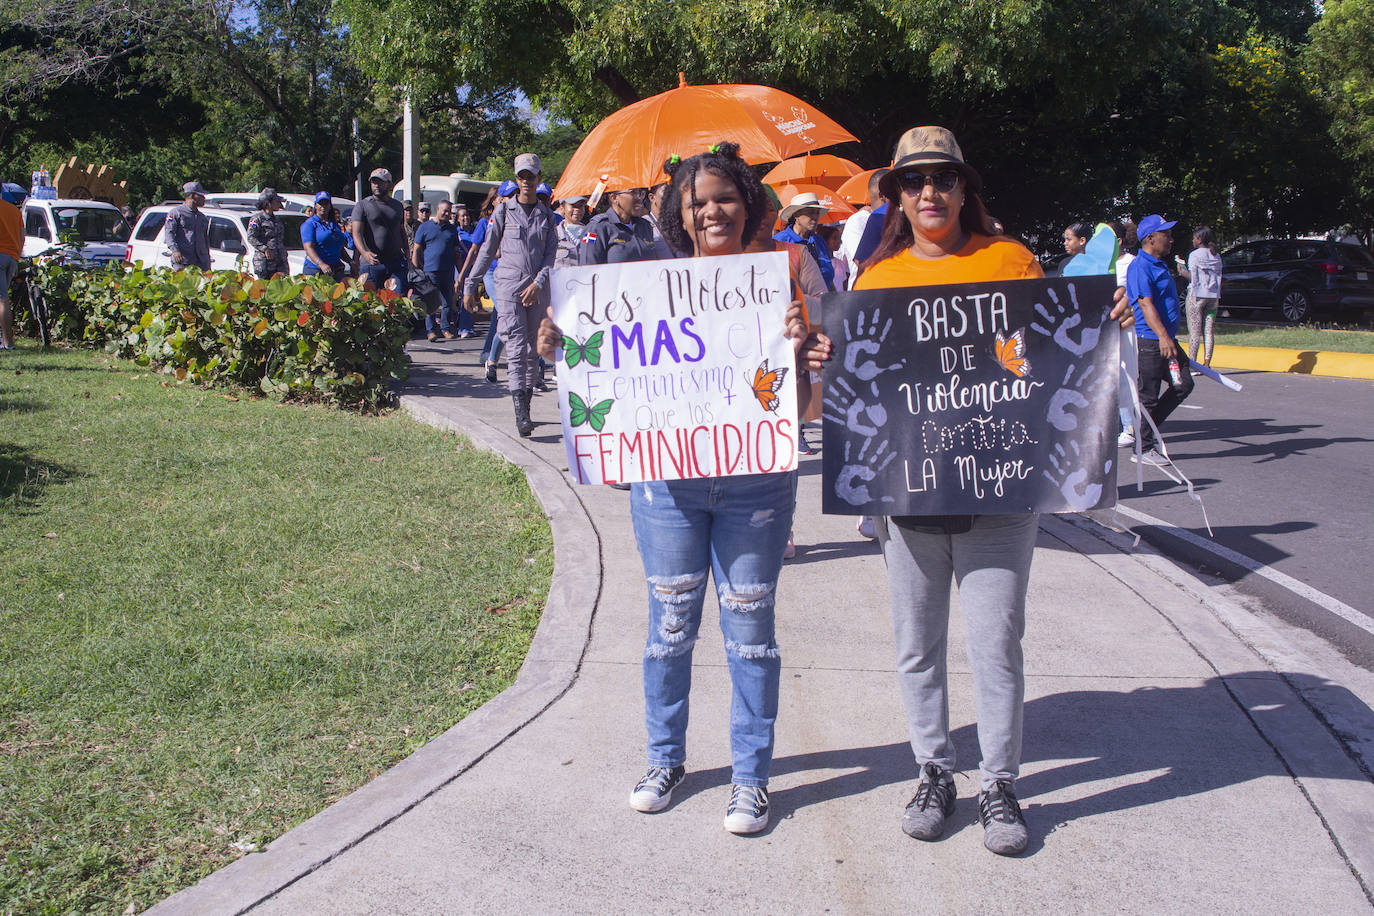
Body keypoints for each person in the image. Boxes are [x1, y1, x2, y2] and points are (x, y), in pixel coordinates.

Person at [799, 125, 1134, 857]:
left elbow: (1056, 349)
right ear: (894, 195)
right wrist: (828, 352)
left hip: (1001, 497)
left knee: (996, 646)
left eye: (942, 179)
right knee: (917, 646)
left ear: (963, 189)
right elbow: (860, 388)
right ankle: (933, 771)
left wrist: (1102, 322)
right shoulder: (877, 280)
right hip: (909, 499)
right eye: (913, 181)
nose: (929, 193)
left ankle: (1000, 784)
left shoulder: (1010, 260)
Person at [537, 140, 808, 835]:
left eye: (724, 197)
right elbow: (607, 370)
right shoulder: (641, 288)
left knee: (751, 635)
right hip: (667, 488)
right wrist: (560, 347)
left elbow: (801, 406)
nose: (712, 210)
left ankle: (751, 779)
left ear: (747, 204)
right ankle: (666, 758)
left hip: (756, 485)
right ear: (678, 215)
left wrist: (802, 351)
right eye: (697, 201)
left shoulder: (782, 281)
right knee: (668, 630)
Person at [463, 155, 557, 437]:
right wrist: (471, 284)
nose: (526, 181)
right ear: (517, 180)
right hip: (508, 286)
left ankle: (526, 404)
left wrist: (540, 282)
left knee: (531, 350)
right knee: (515, 347)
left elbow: (551, 255)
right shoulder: (503, 213)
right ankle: (520, 413)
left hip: (536, 289)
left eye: (531, 176)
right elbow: (487, 250)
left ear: (539, 178)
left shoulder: (547, 217)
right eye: (522, 177)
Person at [1126, 213, 1194, 465]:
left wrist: (1168, 338)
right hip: (1151, 343)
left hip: (1165, 341)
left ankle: (1145, 431)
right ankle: (1142, 449)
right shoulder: (1140, 266)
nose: (1171, 239)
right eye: (1166, 235)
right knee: (1149, 396)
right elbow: (1145, 304)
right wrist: (1164, 338)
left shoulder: (1159, 265)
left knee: (1182, 385)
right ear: (1150, 238)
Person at [412, 200, 463, 341]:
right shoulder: (425, 227)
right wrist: (416, 269)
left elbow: (456, 251)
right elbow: (417, 248)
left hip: (447, 270)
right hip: (429, 271)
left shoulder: (452, 229)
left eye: (449, 211)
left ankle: (445, 329)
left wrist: (460, 272)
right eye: (444, 210)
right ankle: (431, 331)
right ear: (437, 209)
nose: (447, 214)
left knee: (447, 301)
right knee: (431, 302)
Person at [352, 168, 409, 294]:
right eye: (373, 182)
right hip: (372, 264)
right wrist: (365, 253)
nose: (376, 185)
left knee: (397, 301)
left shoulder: (397, 206)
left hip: (396, 263)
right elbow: (356, 233)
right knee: (372, 304)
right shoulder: (362, 205)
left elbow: (401, 230)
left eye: (380, 182)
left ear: (389, 184)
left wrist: (406, 250)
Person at [577, 186, 658, 265]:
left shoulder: (645, 226)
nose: (639, 198)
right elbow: (587, 269)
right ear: (614, 198)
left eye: (641, 193)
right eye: (633, 193)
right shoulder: (598, 228)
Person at [773, 191, 835, 290]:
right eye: (810, 212)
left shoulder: (819, 241)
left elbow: (829, 281)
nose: (815, 217)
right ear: (796, 215)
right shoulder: (780, 241)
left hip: (824, 302)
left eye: (817, 212)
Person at [1180, 225, 1222, 369]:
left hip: (1196, 296)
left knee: (1195, 332)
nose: (1193, 240)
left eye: (1194, 237)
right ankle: (1207, 363)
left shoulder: (1195, 255)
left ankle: (1193, 364)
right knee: (1209, 331)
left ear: (1199, 239)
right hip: (1213, 296)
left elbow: (1193, 278)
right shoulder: (1216, 255)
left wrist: (1181, 270)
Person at [839, 169, 887, 289]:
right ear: (883, 195)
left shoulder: (895, 217)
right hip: (865, 293)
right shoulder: (857, 221)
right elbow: (862, 262)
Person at [164, 181, 211, 272]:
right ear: (192, 196)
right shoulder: (176, 213)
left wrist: (207, 260)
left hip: (200, 263)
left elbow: (205, 240)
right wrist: (175, 251)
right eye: (201, 195)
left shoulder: (202, 217)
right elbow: (169, 233)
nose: (204, 198)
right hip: (183, 261)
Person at [301, 192, 350, 278]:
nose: (323, 206)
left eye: (326, 203)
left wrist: (351, 262)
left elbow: (339, 247)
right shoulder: (310, 224)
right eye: (320, 204)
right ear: (316, 205)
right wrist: (321, 264)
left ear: (330, 205)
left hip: (335, 269)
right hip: (316, 270)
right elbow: (308, 247)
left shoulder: (334, 224)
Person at [0, 183, 23, 350]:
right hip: (11, 257)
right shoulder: (14, 210)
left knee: (2, 300)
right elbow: (22, 236)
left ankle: (8, 343)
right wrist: (16, 257)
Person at [246, 188, 289, 279]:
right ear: (268, 203)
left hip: (279, 263)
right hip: (265, 264)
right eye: (276, 201)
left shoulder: (277, 220)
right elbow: (251, 237)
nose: (279, 204)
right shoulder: (257, 219)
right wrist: (265, 249)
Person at [554, 195, 590, 267]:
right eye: (573, 205)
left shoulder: (591, 235)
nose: (577, 209)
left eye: (581, 206)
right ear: (562, 208)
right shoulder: (553, 236)